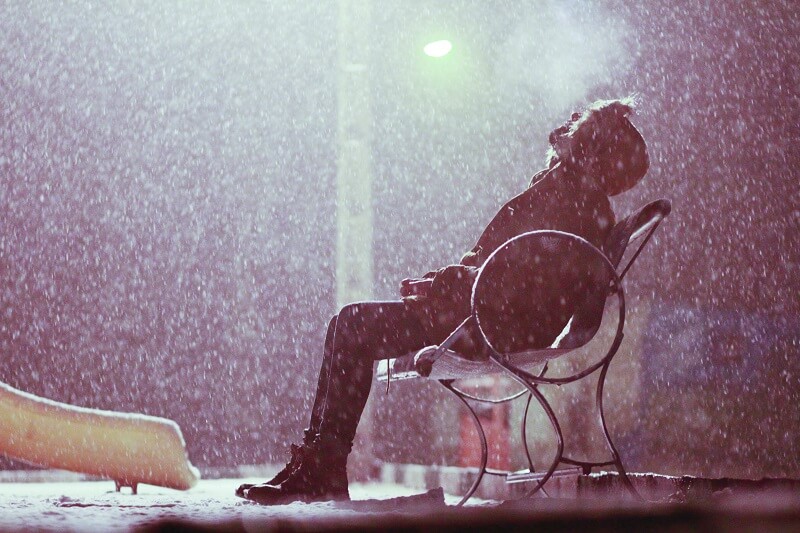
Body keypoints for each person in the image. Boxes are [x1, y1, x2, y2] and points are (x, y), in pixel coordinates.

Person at [238, 97, 650, 505]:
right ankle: (318, 461)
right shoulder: (577, 203)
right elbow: (509, 274)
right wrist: (441, 285)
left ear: (593, 149)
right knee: (346, 324)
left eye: (583, 130)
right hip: (484, 316)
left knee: (352, 325)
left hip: (487, 325)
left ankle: (324, 466)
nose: (569, 130)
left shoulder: (569, 203)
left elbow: (511, 283)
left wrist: (443, 289)